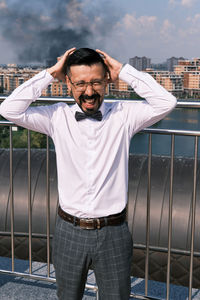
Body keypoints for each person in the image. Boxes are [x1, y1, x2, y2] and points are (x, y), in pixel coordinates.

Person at [0, 47, 177, 300]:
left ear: (107, 80)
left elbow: (167, 102)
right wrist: (51, 73)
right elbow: (9, 109)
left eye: (96, 82)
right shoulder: (56, 116)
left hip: (114, 232)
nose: (89, 92)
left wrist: (124, 71)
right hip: (68, 229)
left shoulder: (124, 114)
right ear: (68, 83)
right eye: (80, 83)